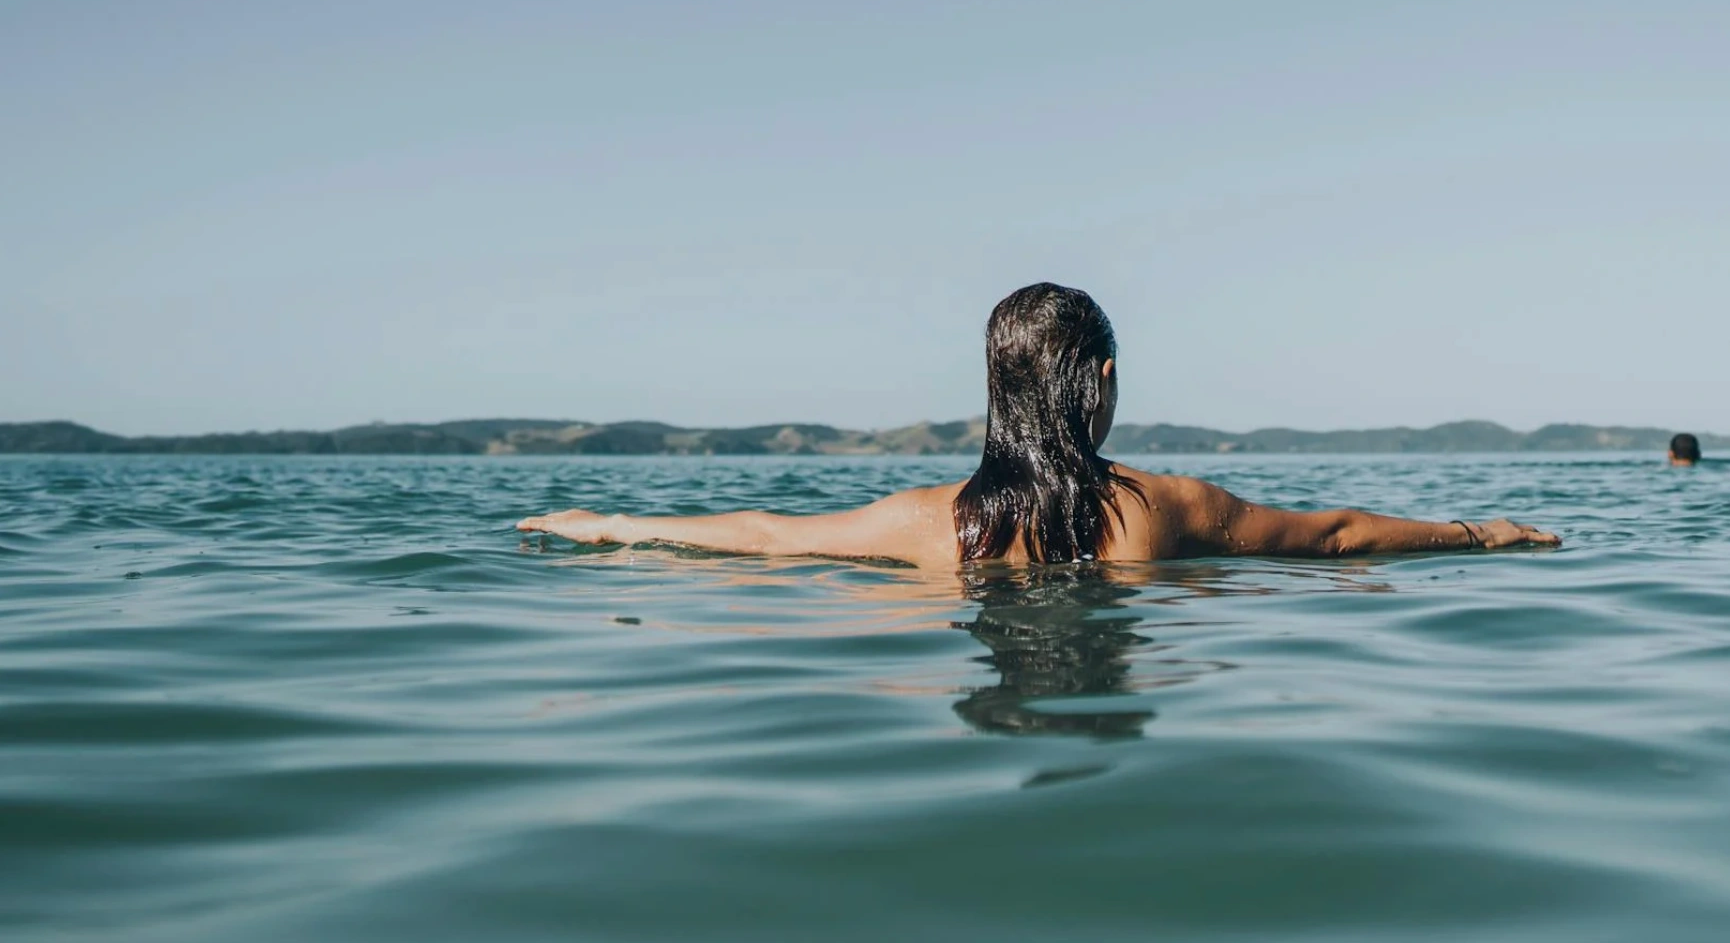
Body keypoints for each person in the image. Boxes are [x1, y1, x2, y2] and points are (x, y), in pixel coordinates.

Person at [518, 283, 1560, 567]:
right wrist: (1481, 534)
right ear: (1099, 377)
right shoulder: (1169, 509)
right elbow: (1334, 535)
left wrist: (606, 524)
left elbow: (760, 537)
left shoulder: (926, 522)